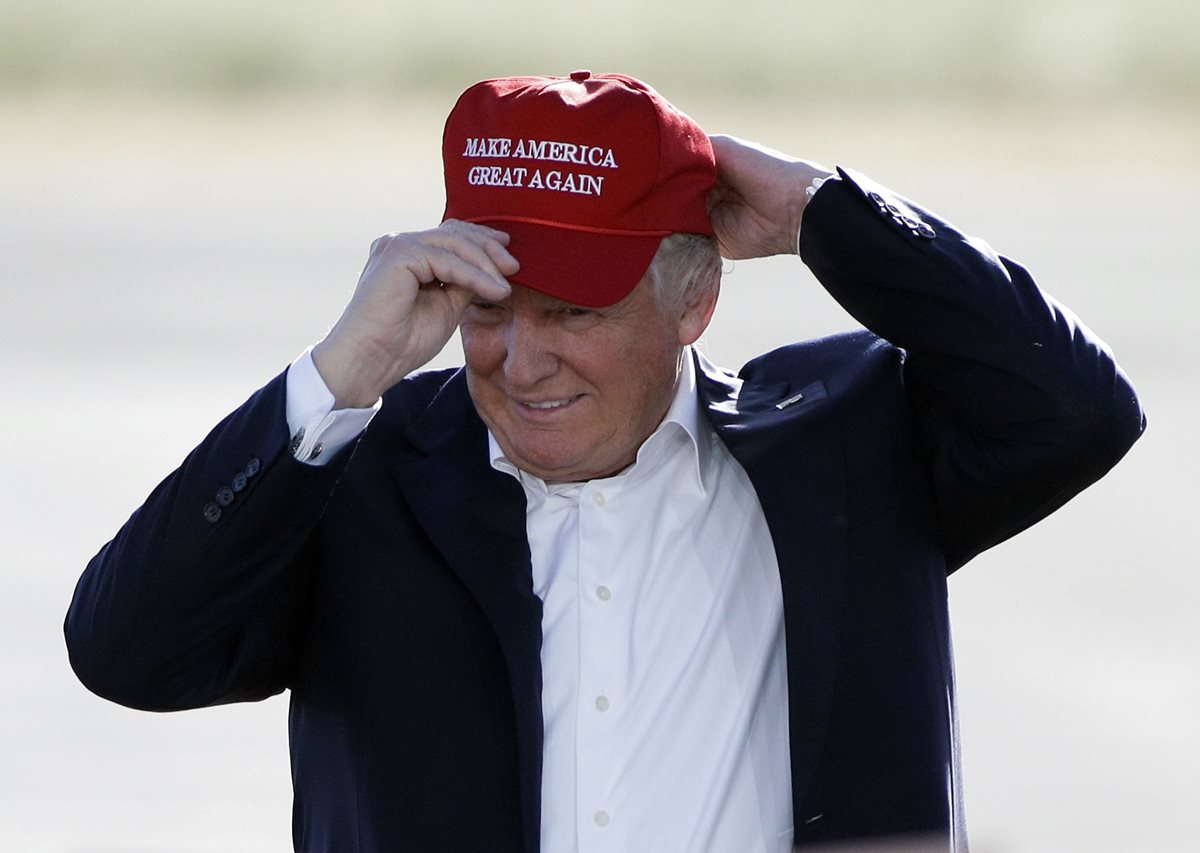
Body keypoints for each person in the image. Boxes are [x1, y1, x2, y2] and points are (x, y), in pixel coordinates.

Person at [66, 71, 1144, 852]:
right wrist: (341, 372)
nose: (521, 359)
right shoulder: (361, 468)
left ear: (695, 297)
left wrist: (830, 217)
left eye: (572, 309)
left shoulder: (846, 446)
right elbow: (128, 652)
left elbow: (1077, 408)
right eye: (488, 307)